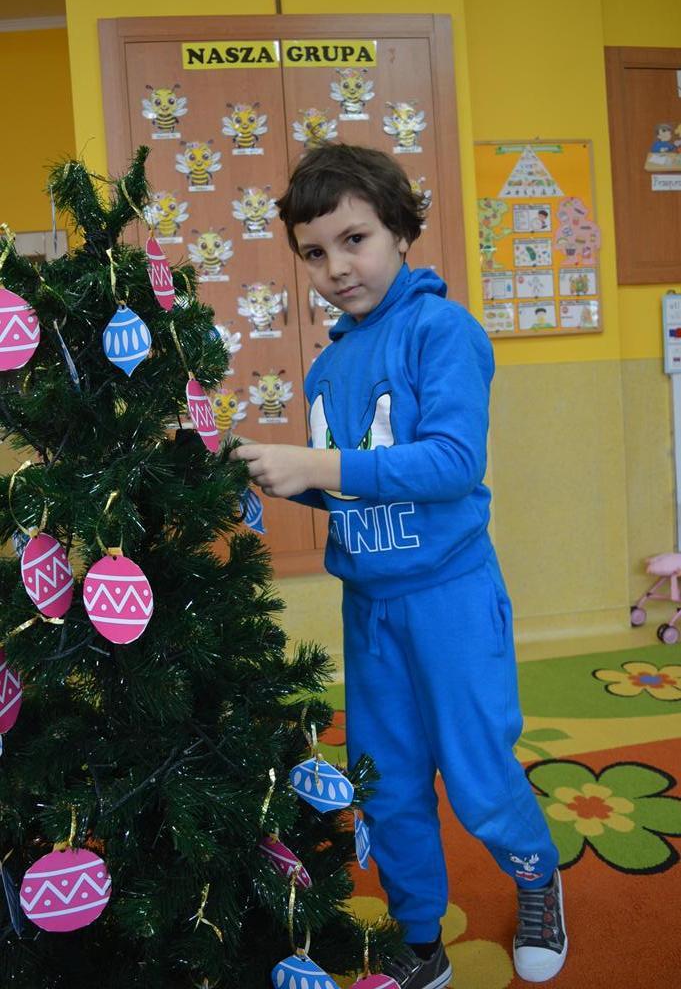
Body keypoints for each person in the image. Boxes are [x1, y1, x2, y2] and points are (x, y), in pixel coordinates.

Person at [230, 144, 567, 988]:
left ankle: (537, 881)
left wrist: (316, 464)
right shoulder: (329, 364)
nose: (337, 268)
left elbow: (451, 462)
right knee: (385, 784)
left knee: (479, 774)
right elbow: (355, 484)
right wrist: (278, 474)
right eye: (314, 253)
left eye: (355, 239)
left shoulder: (441, 330)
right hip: (370, 610)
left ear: (402, 233)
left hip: (450, 598)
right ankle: (419, 938)